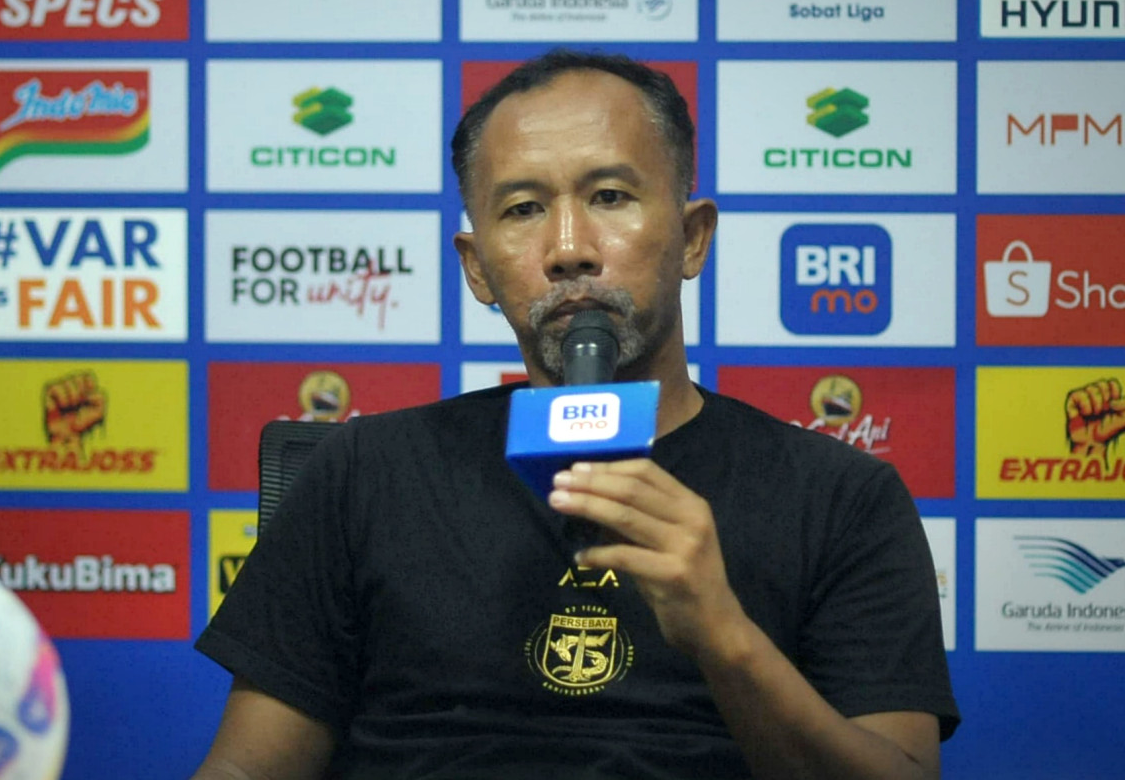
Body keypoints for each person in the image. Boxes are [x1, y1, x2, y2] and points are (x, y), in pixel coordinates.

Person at [191, 50, 958, 780]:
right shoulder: (365, 472)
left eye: (610, 197)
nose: (568, 248)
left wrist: (722, 632)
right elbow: (245, 765)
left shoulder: (840, 498)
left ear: (693, 239)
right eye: (523, 208)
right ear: (477, 267)